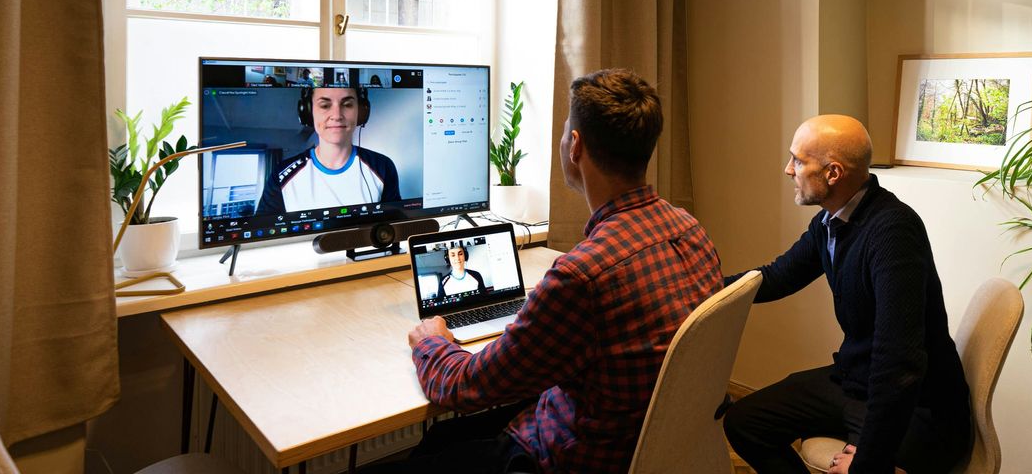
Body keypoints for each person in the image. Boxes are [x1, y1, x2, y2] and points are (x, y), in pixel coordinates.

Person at [388, 68, 722, 474]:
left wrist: (431, 340)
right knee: (442, 438)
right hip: (646, 443)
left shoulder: (582, 275)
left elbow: (467, 386)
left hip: (570, 457)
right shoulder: (689, 228)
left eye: (565, 131)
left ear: (575, 146)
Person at [722, 115, 971, 474]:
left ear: (833, 174)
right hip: (856, 381)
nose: (788, 169)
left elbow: (899, 363)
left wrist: (869, 461)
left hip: (920, 407)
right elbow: (778, 277)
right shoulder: (830, 223)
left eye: (798, 160)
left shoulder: (893, 232)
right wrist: (699, 289)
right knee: (745, 422)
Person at [256, 87, 400, 214]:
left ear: (361, 112)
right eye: (325, 105)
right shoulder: (280, 176)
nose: (337, 115)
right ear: (308, 112)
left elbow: (393, 229)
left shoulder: (383, 166)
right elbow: (264, 237)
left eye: (348, 104)